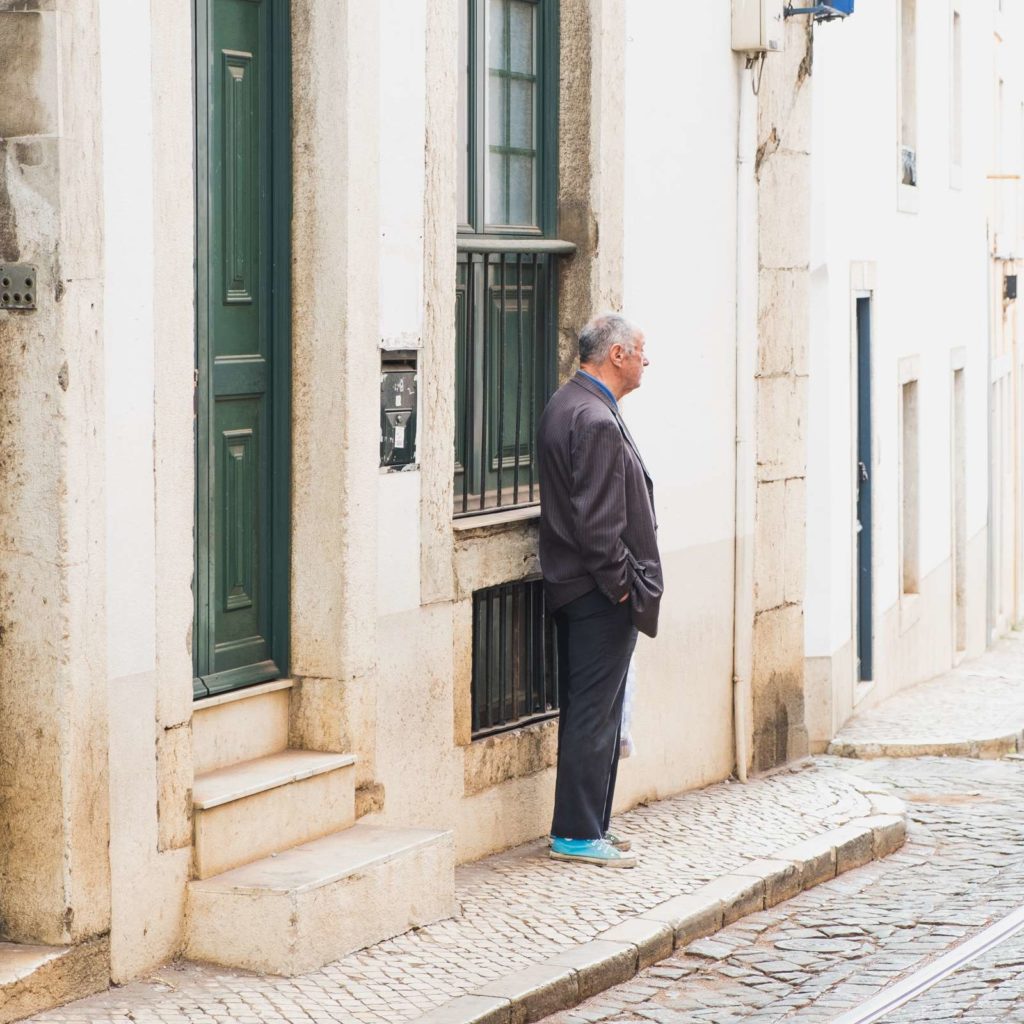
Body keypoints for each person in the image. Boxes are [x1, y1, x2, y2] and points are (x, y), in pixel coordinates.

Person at [537, 313, 663, 868]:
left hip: (583, 588)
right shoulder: (593, 419)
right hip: (594, 593)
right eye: (640, 350)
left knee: (598, 711)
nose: (645, 360)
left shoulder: (574, 404)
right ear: (616, 355)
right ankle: (577, 833)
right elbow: (597, 526)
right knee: (594, 713)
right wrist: (622, 589)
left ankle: (592, 826)